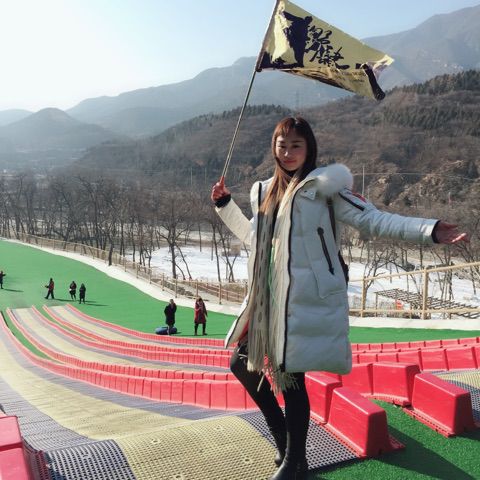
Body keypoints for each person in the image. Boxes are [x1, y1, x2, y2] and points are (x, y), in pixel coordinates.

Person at [211, 116, 468, 480]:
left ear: (309, 149)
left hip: (303, 300)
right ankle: (283, 439)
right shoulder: (265, 191)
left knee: (292, 380)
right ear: (274, 148)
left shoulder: (324, 188)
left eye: (296, 145)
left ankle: (295, 462)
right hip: (268, 300)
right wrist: (225, 205)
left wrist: (429, 229)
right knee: (241, 364)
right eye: (282, 145)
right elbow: (255, 238)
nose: (288, 153)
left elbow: (373, 220)